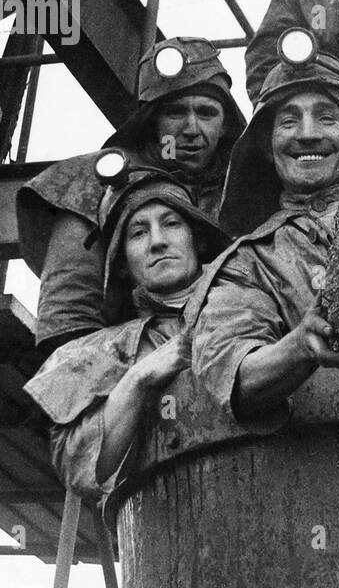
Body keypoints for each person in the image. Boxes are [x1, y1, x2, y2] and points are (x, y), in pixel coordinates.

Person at [191, 32, 339, 422]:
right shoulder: (249, 262)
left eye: (327, 117)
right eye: (288, 121)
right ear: (267, 144)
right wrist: (300, 346)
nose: (307, 133)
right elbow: (232, 374)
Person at [17, 37, 245, 355]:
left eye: (207, 113)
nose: (192, 128)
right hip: (121, 359)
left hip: (234, 351)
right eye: (176, 112)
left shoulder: (244, 188)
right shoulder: (94, 180)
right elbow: (68, 320)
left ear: (224, 125)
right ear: (152, 121)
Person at [23, 171, 228, 501]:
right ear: (121, 263)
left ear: (198, 239)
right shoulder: (92, 354)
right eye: (138, 232)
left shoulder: (258, 304)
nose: (157, 241)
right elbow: (84, 472)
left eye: (172, 223)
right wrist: (138, 378)